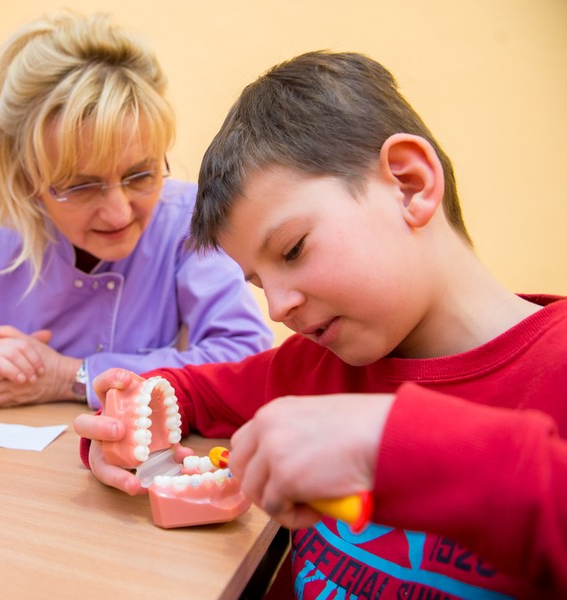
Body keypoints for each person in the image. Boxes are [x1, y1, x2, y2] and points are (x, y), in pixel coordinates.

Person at [75, 51, 567, 598]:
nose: (277, 309)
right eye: (258, 283)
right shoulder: (308, 370)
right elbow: (187, 391)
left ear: (409, 184)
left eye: (292, 249)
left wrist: (392, 444)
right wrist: (123, 434)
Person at [0, 11, 272, 409]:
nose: (118, 213)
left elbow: (246, 358)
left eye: (140, 175)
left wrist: (71, 376)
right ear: (28, 181)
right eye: (81, 186)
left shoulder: (185, 219)